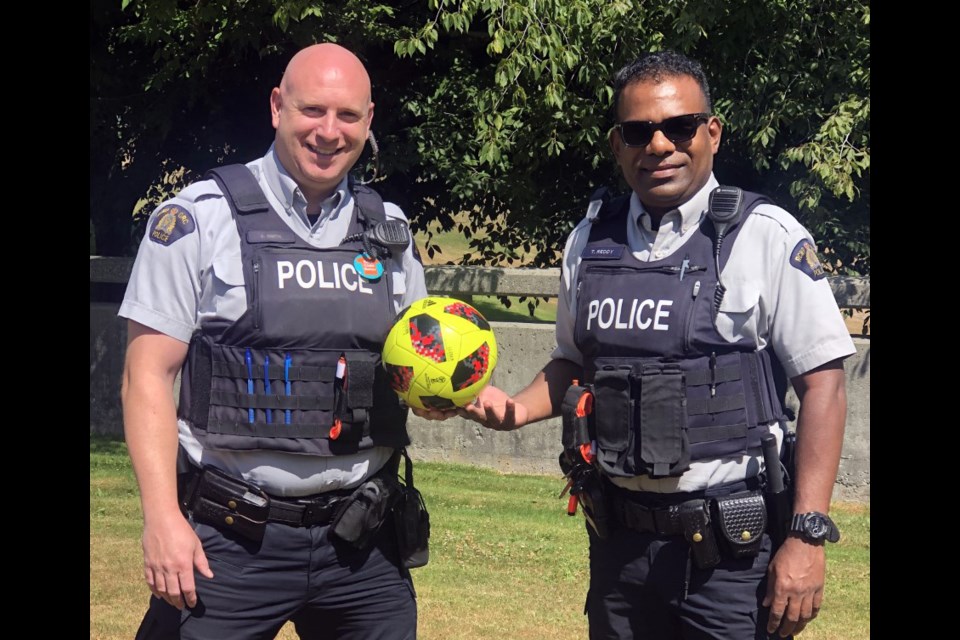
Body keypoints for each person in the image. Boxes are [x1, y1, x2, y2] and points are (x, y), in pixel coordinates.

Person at [437, 50, 855, 639]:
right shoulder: (589, 240)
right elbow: (571, 363)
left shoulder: (764, 237)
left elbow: (824, 387)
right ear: (617, 145)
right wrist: (510, 410)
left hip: (729, 559)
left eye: (679, 126)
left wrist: (807, 536)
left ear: (711, 133)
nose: (659, 145)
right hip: (620, 548)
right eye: (639, 131)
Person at [119, 43, 428, 640]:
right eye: (312, 111)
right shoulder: (198, 219)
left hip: (362, 544)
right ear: (276, 107)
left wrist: (451, 394)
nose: (328, 132)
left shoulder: (388, 231)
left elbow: (413, 365)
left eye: (348, 116)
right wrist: (161, 518)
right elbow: (146, 376)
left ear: (369, 121)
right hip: (230, 538)